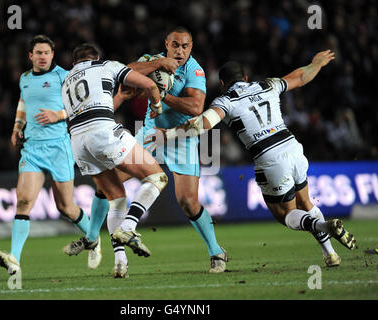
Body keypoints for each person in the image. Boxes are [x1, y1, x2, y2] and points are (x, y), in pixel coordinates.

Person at [147, 50, 357, 267]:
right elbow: (301, 76)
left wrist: (168, 134)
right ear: (245, 78)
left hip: (270, 157)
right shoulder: (268, 85)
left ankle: (324, 227)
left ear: (222, 83)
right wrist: (317, 63)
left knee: (286, 214)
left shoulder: (225, 101)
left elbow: (201, 125)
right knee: (306, 202)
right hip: (293, 147)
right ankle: (330, 255)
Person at [0, 35, 101, 275]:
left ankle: (93, 239)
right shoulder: (25, 78)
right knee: (23, 201)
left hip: (59, 147)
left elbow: (81, 105)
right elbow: (23, 102)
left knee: (66, 207)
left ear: (53, 55)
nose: (42, 57)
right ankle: (15, 260)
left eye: (47, 53)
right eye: (38, 53)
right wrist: (17, 126)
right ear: (30, 56)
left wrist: (58, 115)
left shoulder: (64, 76)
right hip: (32, 148)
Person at [61, 43, 168, 278]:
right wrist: (157, 105)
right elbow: (149, 84)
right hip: (103, 133)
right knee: (157, 177)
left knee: (117, 199)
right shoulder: (107, 65)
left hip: (79, 143)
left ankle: (120, 263)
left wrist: (118, 96)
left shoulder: (66, 80)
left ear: (74, 63)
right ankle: (129, 227)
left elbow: (93, 106)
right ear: (97, 57)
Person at [130, 27, 227, 273]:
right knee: (111, 177)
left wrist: (161, 94)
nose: (180, 50)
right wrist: (156, 65)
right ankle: (92, 238)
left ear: (191, 47)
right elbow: (125, 72)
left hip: (181, 137)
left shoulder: (194, 70)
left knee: (187, 201)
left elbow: (196, 108)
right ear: (167, 44)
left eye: (185, 46)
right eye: (175, 45)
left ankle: (216, 251)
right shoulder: (152, 61)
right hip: (150, 133)